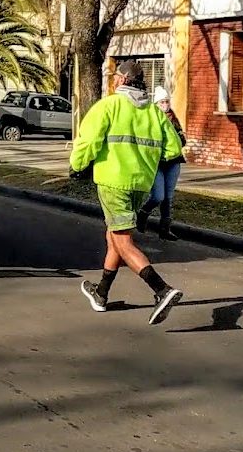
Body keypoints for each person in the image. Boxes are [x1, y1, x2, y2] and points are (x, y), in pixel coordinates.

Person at [70, 60, 185, 325]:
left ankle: (162, 290)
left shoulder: (108, 106)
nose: (112, 81)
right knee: (114, 236)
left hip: (113, 182)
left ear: (121, 80)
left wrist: (76, 166)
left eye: (114, 77)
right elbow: (173, 149)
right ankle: (101, 293)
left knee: (122, 241)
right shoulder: (155, 114)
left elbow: (87, 141)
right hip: (140, 184)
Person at [137, 86, 187, 241]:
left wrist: (177, 138)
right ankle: (143, 214)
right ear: (156, 104)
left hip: (173, 162)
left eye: (167, 101)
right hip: (157, 163)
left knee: (168, 197)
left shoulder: (172, 118)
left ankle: (165, 229)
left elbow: (182, 140)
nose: (165, 105)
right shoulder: (151, 119)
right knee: (158, 196)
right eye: (162, 102)